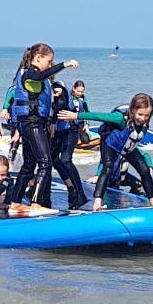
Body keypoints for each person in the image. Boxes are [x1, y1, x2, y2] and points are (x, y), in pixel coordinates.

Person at [58, 93, 153, 211]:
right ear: (133, 110)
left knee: (144, 170)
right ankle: (97, 203)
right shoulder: (119, 118)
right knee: (107, 169)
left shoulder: (149, 110)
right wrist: (76, 115)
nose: (143, 118)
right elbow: (99, 116)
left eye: (147, 116)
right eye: (140, 114)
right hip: (110, 145)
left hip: (128, 147)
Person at [8, 43, 78, 216]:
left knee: (28, 166)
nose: (49, 64)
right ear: (38, 58)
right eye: (49, 61)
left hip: (28, 124)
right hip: (32, 124)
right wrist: (64, 64)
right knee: (45, 163)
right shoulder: (30, 74)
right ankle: (36, 204)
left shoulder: (30, 74)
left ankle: (15, 203)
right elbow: (41, 76)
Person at [50, 81, 88, 209]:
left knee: (66, 160)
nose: (56, 91)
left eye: (58, 89)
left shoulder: (61, 92)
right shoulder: (48, 94)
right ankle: (71, 188)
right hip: (59, 133)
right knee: (53, 160)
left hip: (71, 130)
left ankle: (80, 194)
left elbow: (60, 104)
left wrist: (85, 125)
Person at [71, 80, 91, 144]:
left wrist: (87, 125)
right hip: (72, 123)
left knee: (86, 140)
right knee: (76, 141)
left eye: (82, 92)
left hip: (80, 123)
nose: (80, 93)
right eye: (78, 91)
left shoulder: (83, 99)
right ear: (74, 88)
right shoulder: (69, 98)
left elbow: (87, 112)